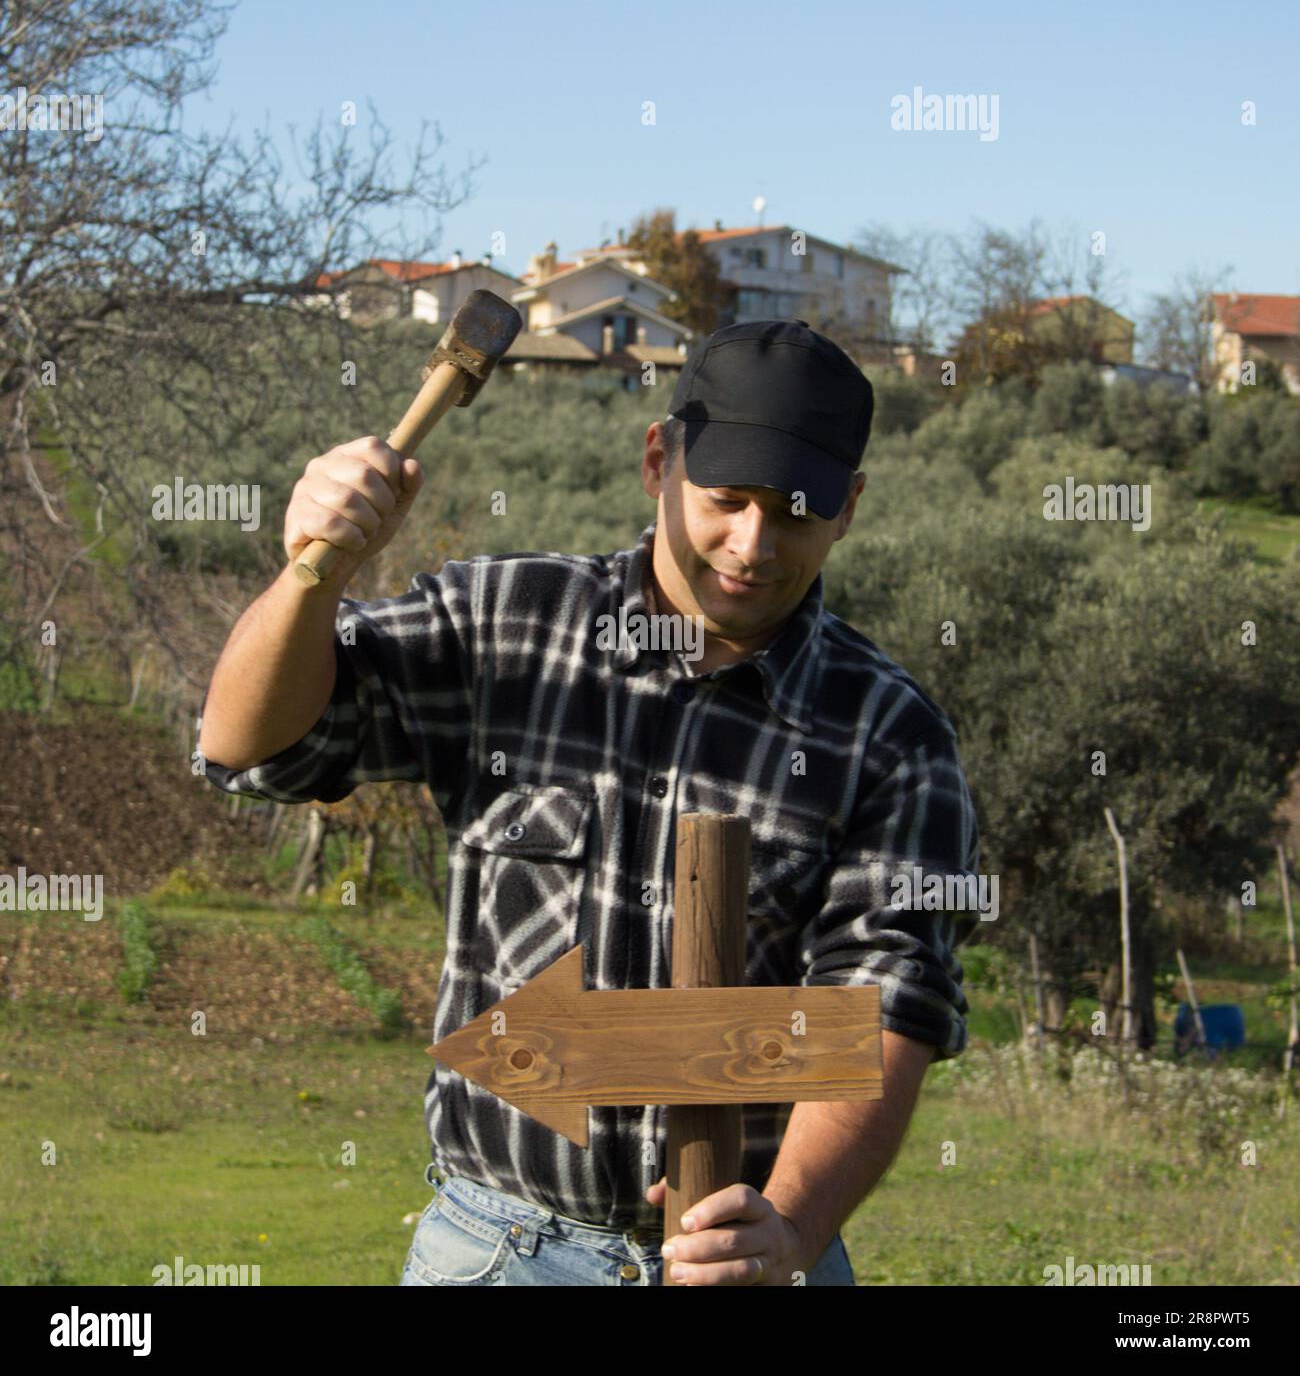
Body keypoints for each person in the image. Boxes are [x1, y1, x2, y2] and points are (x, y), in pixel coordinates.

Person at [198, 318, 980, 1287]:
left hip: (752, 1257)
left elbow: (882, 1005)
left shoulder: (888, 732)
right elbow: (253, 748)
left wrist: (792, 1226)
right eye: (726, 500)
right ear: (659, 459)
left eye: (794, 513)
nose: (753, 544)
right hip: (500, 1248)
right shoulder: (504, 627)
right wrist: (314, 572)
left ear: (849, 508)